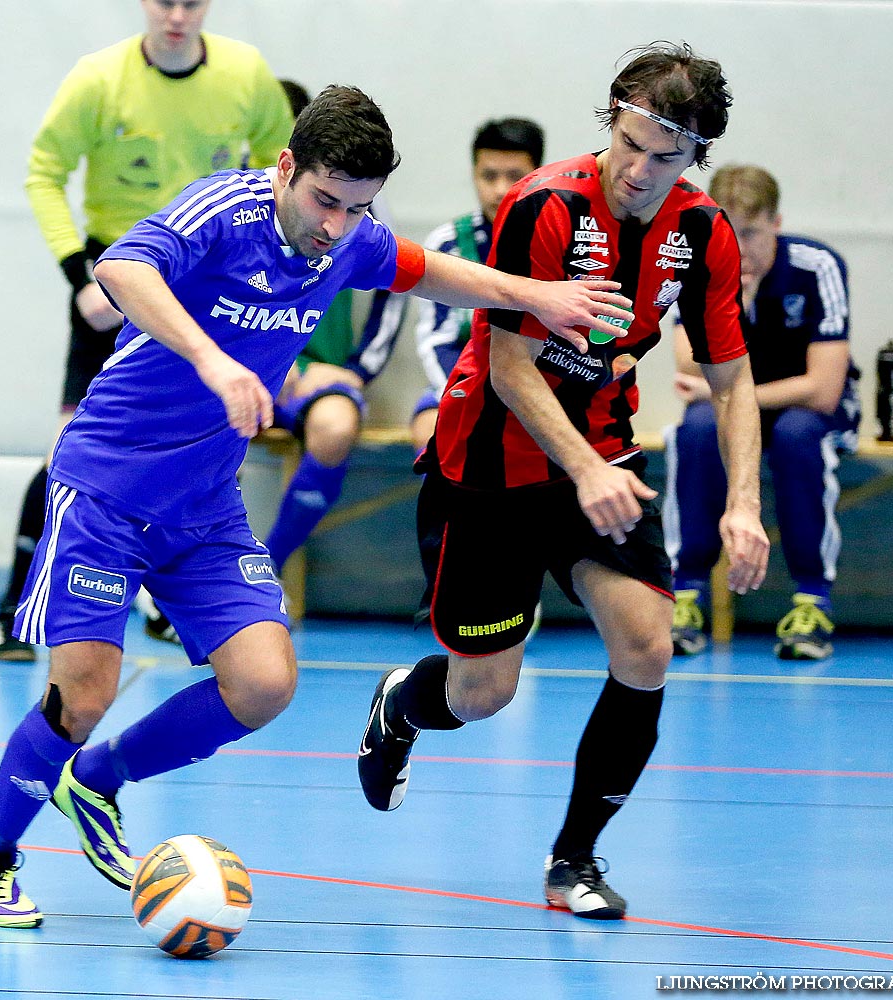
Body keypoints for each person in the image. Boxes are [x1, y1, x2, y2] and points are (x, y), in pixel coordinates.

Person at [0, 84, 635, 928]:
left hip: (203, 507)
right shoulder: (228, 210)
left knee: (265, 683)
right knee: (81, 696)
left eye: (359, 209)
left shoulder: (348, 240)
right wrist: (212, 360)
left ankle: (96, 781)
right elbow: (120, 267)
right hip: (105, 489)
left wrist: (535, 296)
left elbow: (432, 273)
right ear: (286, 168)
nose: (337, 226)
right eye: (324, 200)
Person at [356, 43, 770, 921]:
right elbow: (508, 365)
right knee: (483, 694)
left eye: (665, 158)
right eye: (628, 144)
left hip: (604, 456)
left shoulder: (703, 234)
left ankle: (573, 860)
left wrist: (743, 504)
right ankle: (403, 702)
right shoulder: (541, 204)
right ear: (610, 121)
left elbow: (733, 380)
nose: (639, 170)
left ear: (695, 158)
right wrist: (580, 470)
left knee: (648, 645)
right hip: (493, 468)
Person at [0, 0, 295, 661]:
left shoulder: (245, 74)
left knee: (204, 449)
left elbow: (284, 174)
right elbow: (43, 173)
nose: (177, 16)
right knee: (72, 448)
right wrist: (81, 274)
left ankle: (172, 600)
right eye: (164, 1)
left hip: (208, 292)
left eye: (191, 2)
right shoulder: (99, 78)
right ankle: (15, 605)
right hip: (120, 279)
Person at [664, 165, 859, 660]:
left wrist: (730, 393)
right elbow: (688, 361)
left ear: (776, 223)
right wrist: (734, 304)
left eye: (749, 232)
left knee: (797, 437)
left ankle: (812, 602)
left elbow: (823, 390)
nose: (738, 247)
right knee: (697, 430)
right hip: (734, 405)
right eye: (727, 233)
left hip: (804, 414)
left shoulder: (818, 266)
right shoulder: (698, 264)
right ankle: (684, 596)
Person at [262, 80, 409, 576]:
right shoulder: (229, 197)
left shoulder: (352, 200)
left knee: (335, 426)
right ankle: (166, 583)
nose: (334, 226)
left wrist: (354, 371)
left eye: (352, 211)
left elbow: (407, 280)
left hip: (315, 371)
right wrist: (252, 365)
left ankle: (267, 568)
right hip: (234, 367)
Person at [410, 118, 546, 452]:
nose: (500, 189)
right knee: (429, 430)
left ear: (538, 174)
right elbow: (435, 340)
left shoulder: (556, 239)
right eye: (489, 176)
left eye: (514, 176)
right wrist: (472, 396)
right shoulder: (447, 244)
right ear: (474, 175)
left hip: (541, 385)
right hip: (460, 386)